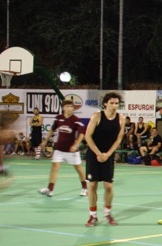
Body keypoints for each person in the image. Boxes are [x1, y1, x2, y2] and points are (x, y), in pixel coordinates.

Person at [84, 92, 127, 226]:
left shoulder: (121, 119)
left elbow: (118, 139)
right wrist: (98, 153)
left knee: (108, 186)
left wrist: (107, 154)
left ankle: (107, 213)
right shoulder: (97, 116)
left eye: (117, 103)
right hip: (93, 155)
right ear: (105, 104)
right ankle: (93, 216)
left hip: (108, 155)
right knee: (92, 185)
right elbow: (87, 136)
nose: (114, 105)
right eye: (112, 103)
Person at [39, 98, 88, 197]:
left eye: (71, 106)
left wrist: (76, 145)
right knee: (54, 167)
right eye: (67, 106)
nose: (69, 108)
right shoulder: (59, 118)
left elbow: (81, 134)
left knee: (78, 168)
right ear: (63, 108)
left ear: (73, 108)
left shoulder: (76, 120)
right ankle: (50, 189)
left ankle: (85, 188)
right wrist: (45, 141)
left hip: (71, 151)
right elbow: (52, 130)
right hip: (59, 149)